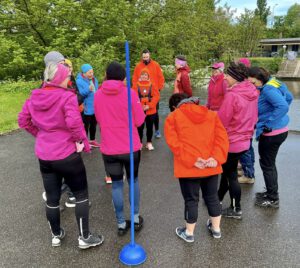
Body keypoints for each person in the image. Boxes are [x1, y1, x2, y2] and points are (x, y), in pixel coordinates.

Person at [18, 63, 104, 249]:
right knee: (81, 195)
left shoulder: (34, 97)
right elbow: (74, 123)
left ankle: (56, 235)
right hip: (67, 154)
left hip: (45, 156)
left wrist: (40, 134)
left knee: (52, 197)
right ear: (59, 78)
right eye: (67, 77)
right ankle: (84, 237)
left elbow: (23, 121)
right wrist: (83, 142)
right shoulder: (66, 97)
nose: (68, 80)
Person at [165, 94, 229, 242]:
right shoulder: (212, 115)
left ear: (176, 106)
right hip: (210, 166)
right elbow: (222, 139)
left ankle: (189, 233)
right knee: (212, 197)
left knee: (191, 200)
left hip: (189, 168)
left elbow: (174, 144)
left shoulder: (173, 117)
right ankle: (216, 229)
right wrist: (215, 158)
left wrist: (193, 160)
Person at [94, 61, 145, 236]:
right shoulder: (130, 94)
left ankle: (121, 223)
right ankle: (136, 218)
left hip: (109, 148)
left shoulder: (98, 95)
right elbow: (139, 121)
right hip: (130, 147)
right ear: (124, 78)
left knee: (116, 185)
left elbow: (99, 119)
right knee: (133, 181)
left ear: (107, 76)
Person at [217, 62, 258, 219]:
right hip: (245, 139)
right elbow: (254, 115)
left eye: (227, 74)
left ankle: (236, 208)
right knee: (228, 172)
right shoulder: (252, 91)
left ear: (235, 77)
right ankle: (218, 198)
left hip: (232, 141)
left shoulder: (232, 95)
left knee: (231, 175)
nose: (225, 77)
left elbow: (222, 121)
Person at [248, 67, 293, 208]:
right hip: (281, 130)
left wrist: (270, 122)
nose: (252, 86)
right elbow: (289, 98)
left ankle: (273, 198)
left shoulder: (267, 89)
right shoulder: (275, 82)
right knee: (269, 164)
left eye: (253, 83)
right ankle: (270, 192)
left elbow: (283, 106)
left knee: (267, 165)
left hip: (272, 133)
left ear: (260, 79)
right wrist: (277, 118)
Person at [132, 49, 165, 139]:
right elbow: (134, 78)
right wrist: (135, 89)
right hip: (141, 92)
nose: (145, 58)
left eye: (146, 57)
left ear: (149, 56)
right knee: (140, 113)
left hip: (153, 92)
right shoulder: (138, 66)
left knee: (155, 112)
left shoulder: (155, 65)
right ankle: (141, 133)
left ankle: (157, 130)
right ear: (141, 57)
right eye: (143, 57)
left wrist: (159, 88)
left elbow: (161, 77)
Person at [237, 58, 256, 184]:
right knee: (247, 147)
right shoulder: (250, 83)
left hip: (245, 121)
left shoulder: (247, 83)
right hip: (249, 120)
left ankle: (249, 175)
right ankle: (246, 170)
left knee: (246, 149)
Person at [134, 68, 160, 150]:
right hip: (140, 110)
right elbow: (134, 97)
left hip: (151, 110)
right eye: (142, 75)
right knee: (139, 127)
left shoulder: (153, 85)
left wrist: (149, 105)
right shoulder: (135, 85)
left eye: (145, 75)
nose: (144, 76)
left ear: (148, 76)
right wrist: (140, 107)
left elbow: (156, 96)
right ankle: (139, 142)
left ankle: (149, 142)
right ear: (140, 76)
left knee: (149, 127)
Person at [76, 64, 100, 148]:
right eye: (89, 72)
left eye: (92, 72)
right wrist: (88, 89)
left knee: (93, 125)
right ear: (84, 73)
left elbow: (96, 91)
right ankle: (85, 142)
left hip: (95, 106)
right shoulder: (79, 81)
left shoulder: (94, 80)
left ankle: (92, 140)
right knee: (85, 126)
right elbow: (79, 94)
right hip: (86, 107)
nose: (91, 74)